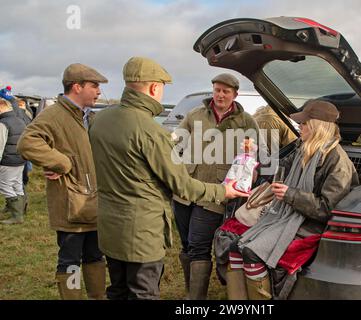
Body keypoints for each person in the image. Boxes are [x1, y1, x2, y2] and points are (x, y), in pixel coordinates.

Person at [88, 57, 247, 300]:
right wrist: (224, 192)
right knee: (144, 292)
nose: (220, 95)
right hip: (141, 232)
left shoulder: (101, 119)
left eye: (226, 91)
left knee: (118, 289)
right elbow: (180, 184)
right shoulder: (152, 131)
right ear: (154, 88)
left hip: (110, 225)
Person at [221, 100, 359, 300]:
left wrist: (290, 194)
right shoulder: (303, 149)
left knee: (251, 253)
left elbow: (328, 209)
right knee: (234, 248)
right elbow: (276, 170)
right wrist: (250, 158)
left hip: (309, 224)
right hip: (287, 215)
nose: (298, 127)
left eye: (303, 124)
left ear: (317, 127)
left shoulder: (337, 161)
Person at [17, 63, 108, 300]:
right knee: (70, 261)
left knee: (95, 256)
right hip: (71, 205)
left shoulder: (90, 116)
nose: (99, 91)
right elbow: (27, 142)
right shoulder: (54, 115)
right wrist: (61, 163)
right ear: (77, 87)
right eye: (94, 86)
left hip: (93, 203)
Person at [172, 73, 261, 299]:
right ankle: (190, 291)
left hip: (217, 193)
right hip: (186, 189)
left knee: (198, 244)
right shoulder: (195, 115)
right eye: (217, 90)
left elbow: (255, 159)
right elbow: (175, 144)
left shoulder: (246, 122)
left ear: (234, 95)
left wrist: (249, 161)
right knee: (186, 244)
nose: (220, 95)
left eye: (226, 91)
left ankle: (196, 299)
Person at [0, 98, 27, 224]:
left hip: (8, 160)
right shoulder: (19, 120)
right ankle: (19, 211)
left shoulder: (3, 123)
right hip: (20, 159)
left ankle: (17, 216)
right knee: (17, 184)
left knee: (4, 185)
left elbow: (0, 145)